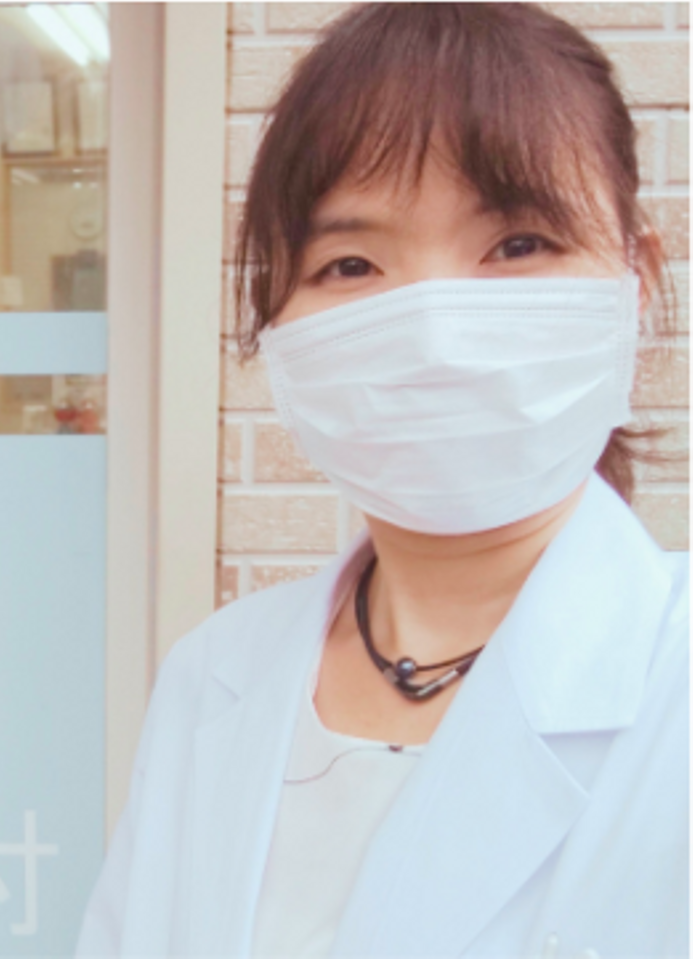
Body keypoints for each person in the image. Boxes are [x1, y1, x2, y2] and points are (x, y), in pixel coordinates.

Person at [75, 5, 688, 958]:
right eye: (352, 263)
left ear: (634, 283)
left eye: (518, 244)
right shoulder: (214, 675)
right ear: (276, 319)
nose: (434, 331)